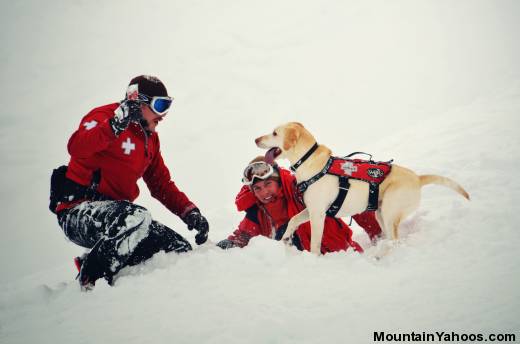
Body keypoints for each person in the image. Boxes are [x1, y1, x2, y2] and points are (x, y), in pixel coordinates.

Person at [49, 75, 209, 289]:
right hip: (77, 211)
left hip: (120, 220)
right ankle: (91, 277)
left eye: (167, 105)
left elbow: (160, 184)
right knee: (137, 216)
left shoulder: (149, 138)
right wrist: (114, 125)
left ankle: (103, 264)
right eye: (159, 105)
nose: (163, 115)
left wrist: (189, 212)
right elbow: (76, 147)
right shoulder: (104, 117)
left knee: (177, 249)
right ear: (137, 101)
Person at [216, 157, 382, 253]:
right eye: (257, 188)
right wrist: (230, 243)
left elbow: (349, 202)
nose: (264, 192)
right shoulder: (258, 212)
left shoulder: (302, 191)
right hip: (304, 277)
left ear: (279, 181)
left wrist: (378, 234)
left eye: (268, 184)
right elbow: (244, 234)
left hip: (344, 259)